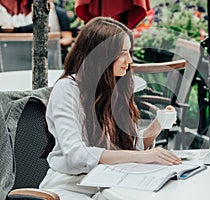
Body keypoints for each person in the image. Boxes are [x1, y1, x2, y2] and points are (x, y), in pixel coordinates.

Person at [39, 16, 181, 200]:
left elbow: (123, 148)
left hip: (110, 182)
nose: (129, 60)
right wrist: (142, 157)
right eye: (122, 52)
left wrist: (155, 128)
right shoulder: (68, 90)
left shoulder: (115, 88)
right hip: (70, 187)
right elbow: (77, 155)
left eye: (129, 51)